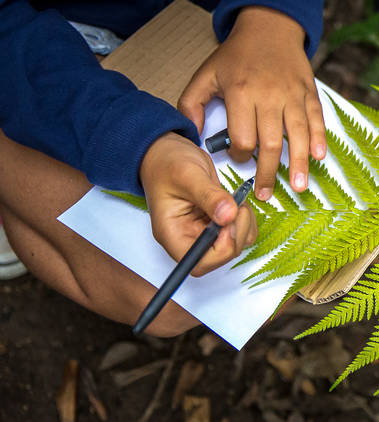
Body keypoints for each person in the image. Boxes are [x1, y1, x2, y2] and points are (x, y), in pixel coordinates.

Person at [0, 0, 326, 336]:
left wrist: (273, 18)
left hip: (188, 25)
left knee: (262, 281)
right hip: (34, 56)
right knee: (159, 299)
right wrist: (139, 144)